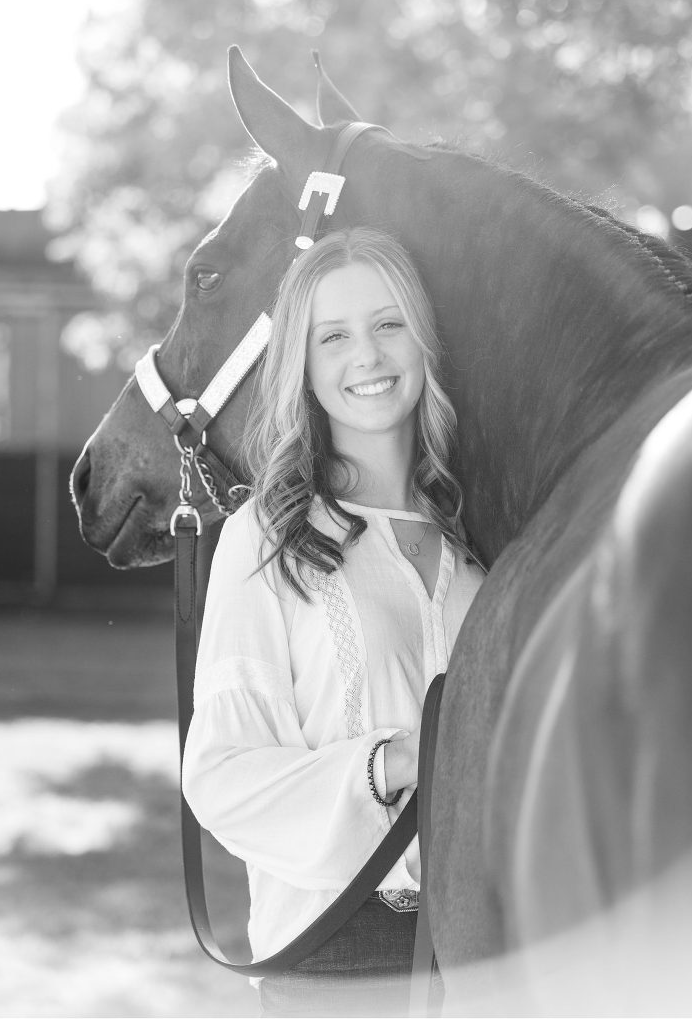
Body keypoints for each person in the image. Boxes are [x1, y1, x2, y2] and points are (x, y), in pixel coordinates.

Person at [182, 227, 486, 1016]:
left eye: (389, 324)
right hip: (340, 960)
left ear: (424, 340)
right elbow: (221, 776)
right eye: (335, 336)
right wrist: (392, 762)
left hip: (495, 958)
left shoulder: (482, 548)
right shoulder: (271, 535)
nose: (369, 356)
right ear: (305, 367)